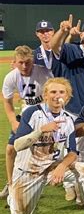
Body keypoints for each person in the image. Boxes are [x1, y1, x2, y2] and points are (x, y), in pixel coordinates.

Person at [8, 77, 84, 214]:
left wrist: (62, 166)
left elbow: (73, 152)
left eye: (61, 92)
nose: (57, 95)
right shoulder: (32, 112)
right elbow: (17, 145)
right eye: (52, 92)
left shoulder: (69, 119)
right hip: (28, 172)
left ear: (67, 97)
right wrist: (40, 131)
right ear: (45, 95)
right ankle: (13, 198)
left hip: (52, 168)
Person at [1, 46, 52, 199]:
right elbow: (7, 102)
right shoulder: (11, 77)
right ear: (15, 62)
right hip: (25, 117)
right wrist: (12, 122)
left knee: (48, 152)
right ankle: (10, 185)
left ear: (33, 61)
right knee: (11, 150)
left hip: (45, 116)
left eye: (28, 63)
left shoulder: (44, 73)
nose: (24, 66)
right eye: (21, 63)